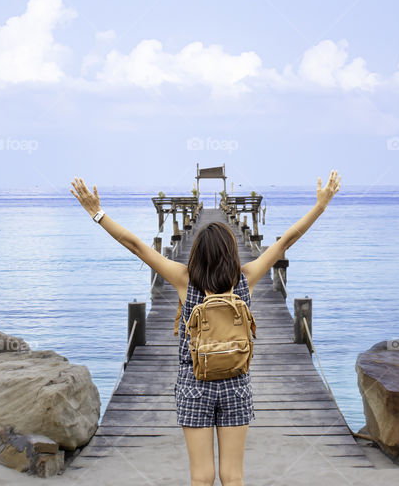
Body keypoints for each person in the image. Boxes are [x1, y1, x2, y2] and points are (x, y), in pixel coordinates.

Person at [70, 171, 342, 486]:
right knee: (233, 476)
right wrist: (321, 206)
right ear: (231, 251)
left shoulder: (184, 280)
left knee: (201, 477)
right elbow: (287, 240)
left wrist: (97, 213)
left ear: (197, 252)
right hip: (236, 381)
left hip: (193, 382)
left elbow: (137, 247)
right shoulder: (246, 278)